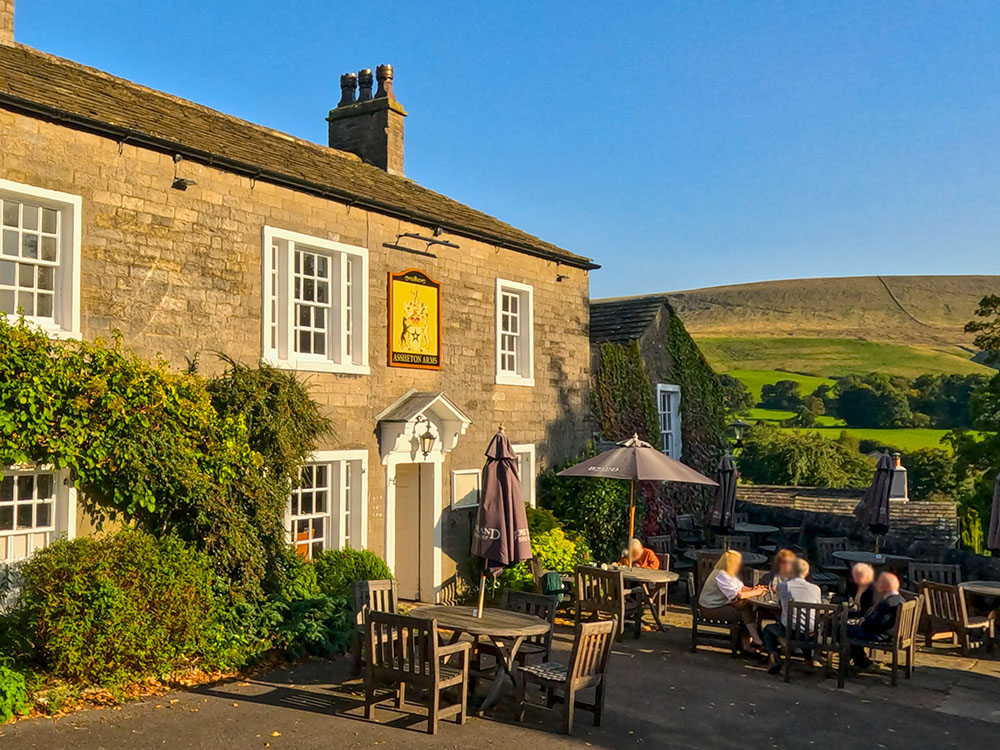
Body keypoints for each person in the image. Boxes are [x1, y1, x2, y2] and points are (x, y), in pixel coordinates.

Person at [761, 558, 823, 674]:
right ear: (807, 572)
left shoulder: (783, 586)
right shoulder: (816, 589)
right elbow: (818, 606)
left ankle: (773, 655)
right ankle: (808, 659)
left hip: (790, 630)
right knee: (806, 627)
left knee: (768, 629)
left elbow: (780, 603)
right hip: (810, 632)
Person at [698, 550, 767, 651]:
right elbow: (739, 595)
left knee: (746, 607)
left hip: (720, 604)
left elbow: (740, 588)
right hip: (710, 607)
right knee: (742, 613)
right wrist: (756, 592)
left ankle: (751, 641)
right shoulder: (721, 575)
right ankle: (750, 642)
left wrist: (755, 589)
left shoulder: (729, 573)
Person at [846, 571, 904, 670]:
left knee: (846, 630)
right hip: (895, 633)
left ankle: (859, 660)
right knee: (853, 629)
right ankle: (860, 658)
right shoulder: (899, 599)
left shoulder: (888, 603)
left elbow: (878, 623)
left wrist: (864, 623)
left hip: (883, 635)